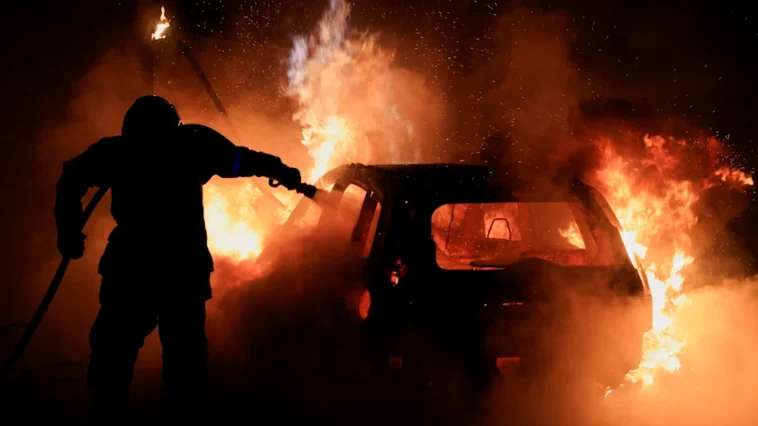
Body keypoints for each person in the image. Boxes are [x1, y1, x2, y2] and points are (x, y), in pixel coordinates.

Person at [53, 95, 302, 422]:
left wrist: (68, 231)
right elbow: (240, 160)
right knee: (179, 363)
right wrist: (281, 170)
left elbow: (72, 177)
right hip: (180, 269)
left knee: (115, 358)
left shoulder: (119, 151)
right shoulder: (191, 145)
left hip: (134, 269)